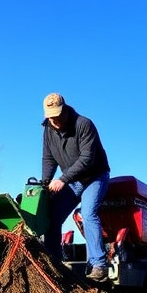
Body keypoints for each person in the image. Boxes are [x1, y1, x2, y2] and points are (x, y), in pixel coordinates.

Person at [41, 92, 111, 281]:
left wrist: (62, 180)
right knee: (53, 216)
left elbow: (87, 159)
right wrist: (45, 184)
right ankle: (53, 262)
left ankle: (98, 265)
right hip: (73, 180)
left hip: (95, 176)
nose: (54, 120)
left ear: (64, 109)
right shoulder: (48, 129)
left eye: (57, 115)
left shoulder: (83, 124)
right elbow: (48, 159)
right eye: (50, 116)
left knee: (87, 213)